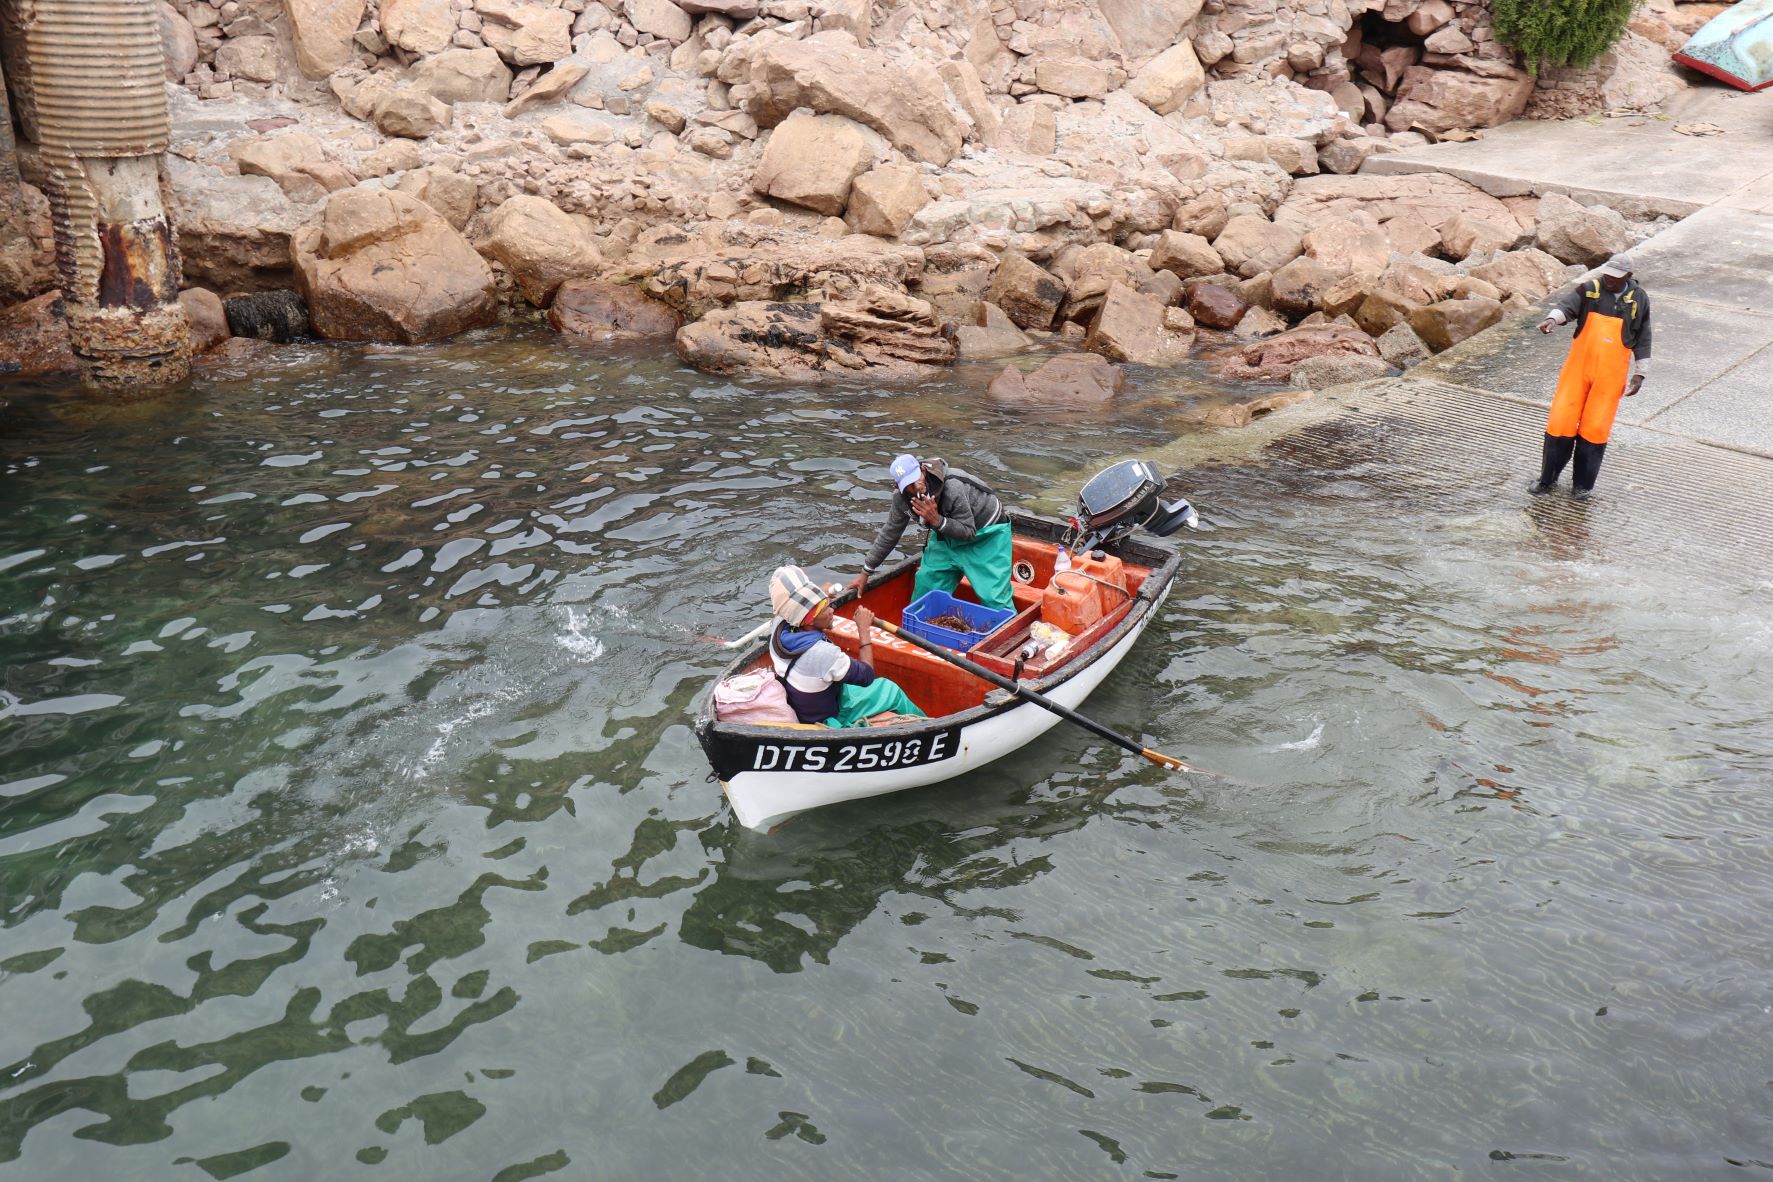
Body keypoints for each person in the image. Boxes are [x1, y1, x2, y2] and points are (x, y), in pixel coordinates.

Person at [1529, 252, 1652, 500]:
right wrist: (1551, 320)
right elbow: (1566, 307)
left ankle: (1582, 487)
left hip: (1610, 376)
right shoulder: (1590, 289)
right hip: (1577, 370)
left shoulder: (1639, 299)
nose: (1609, 279)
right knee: (1560, 422)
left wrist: (1640, 374)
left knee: (1595, 428)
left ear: (1628, 276)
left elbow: (1643, 336)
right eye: (1607, 274)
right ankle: (1547, 480)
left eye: (1616, 277)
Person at [846, 454, 1015, 611]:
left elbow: (968, 532)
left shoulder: (953, 486)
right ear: (898, 486)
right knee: (926, 588)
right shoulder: (901, 498)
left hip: (986, 534)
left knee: (994, 598)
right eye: (908, 486)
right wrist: (866, 571)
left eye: (916, 480)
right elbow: (890, 533)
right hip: (946, 534)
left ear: (923, 470)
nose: (916, 488)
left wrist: (937, 520)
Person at [768, 565, 925, 728]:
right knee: (891, 689)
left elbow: (795, 609)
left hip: (804, 707)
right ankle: (927, 727)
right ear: (809, 621)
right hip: (829, 716)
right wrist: (863, 628)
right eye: (825, 608)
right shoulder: (824, 654)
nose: (832, 610)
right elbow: (867, 676)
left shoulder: (779, 626)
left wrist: (821, 595)